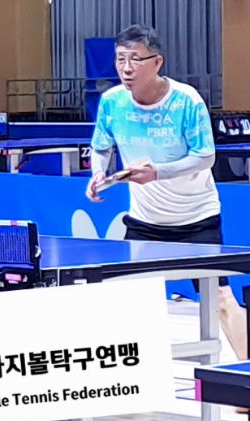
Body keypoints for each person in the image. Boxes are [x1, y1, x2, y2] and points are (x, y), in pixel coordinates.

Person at [87, 24, 247, 363]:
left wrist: (157, 173)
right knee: (125, 298)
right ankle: (131, 373)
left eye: (135, 59)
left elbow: (205, 156)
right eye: (120, 59)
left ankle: (246, 374)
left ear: (157, 62)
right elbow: (101, 146)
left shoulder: (186, 101)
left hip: (196, 218)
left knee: (219, 299)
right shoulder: (112, 102)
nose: (126, 68)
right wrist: (98, 171)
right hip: (144, 222)